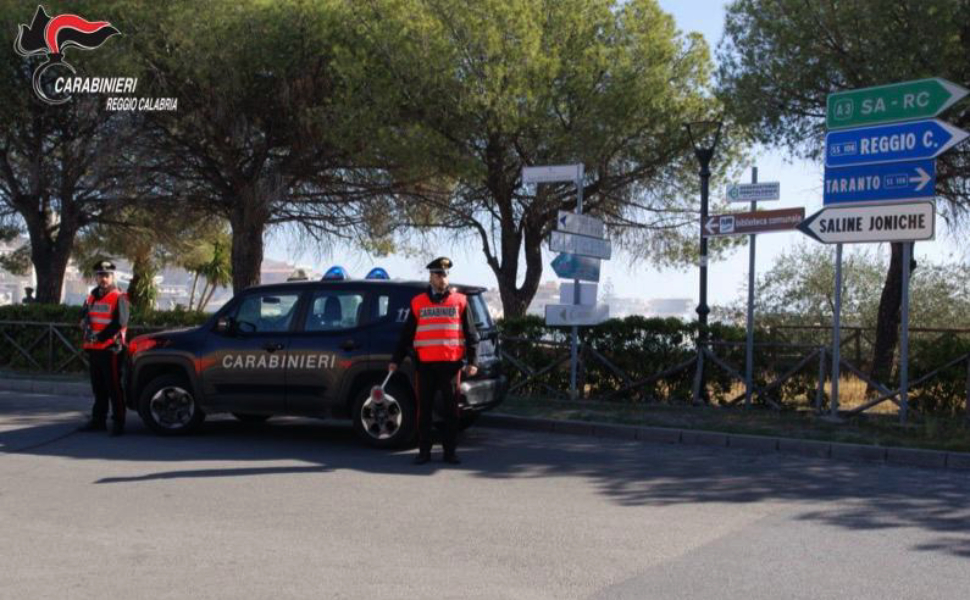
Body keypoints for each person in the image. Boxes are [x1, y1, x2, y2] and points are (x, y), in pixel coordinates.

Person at [390, 257, 479, 465]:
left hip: (450, 366)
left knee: (451, 412)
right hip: (425, 366)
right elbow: (406, 336)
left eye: (445, 274)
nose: (443, 278)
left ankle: (450, 452)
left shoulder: (460, 301)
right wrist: (396, 360)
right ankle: (424, 452)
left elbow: (471, 334)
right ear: (430, 277)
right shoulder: (418, 302)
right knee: (425, 411)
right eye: (438, 274)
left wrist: (473, 361)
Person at [77, 261, 130, 436]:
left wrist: (100, 337)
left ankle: (118, 422)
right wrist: (83, 321)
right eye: (100, 275)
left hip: (111, 349)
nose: (103, 278)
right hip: (94, 349)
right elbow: (84, 315)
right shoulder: (91, 296)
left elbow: (120, 322)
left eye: (107, 275)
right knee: (98, 387)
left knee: (113, 387)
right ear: (96, 277)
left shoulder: (119, 296)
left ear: (112, 277)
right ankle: (98, 420)